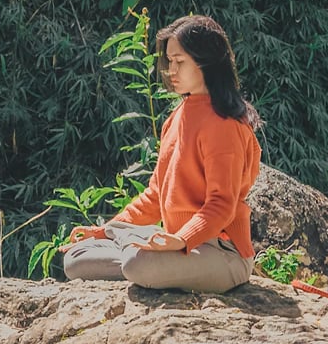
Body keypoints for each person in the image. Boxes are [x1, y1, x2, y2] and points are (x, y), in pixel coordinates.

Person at [61, 15, 263, 293]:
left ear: (206, 62)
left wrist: (181, 239)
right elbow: (155, 196)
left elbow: (221, 204)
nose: (171, 71)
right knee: (76, 258)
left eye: (179, 62)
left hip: (223, 253)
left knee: (136, 263)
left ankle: (147, 262)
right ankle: (146, 258)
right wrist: (106, 229)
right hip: (175, 245)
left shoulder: (223, 126)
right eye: (169, 61)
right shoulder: (178, 117)